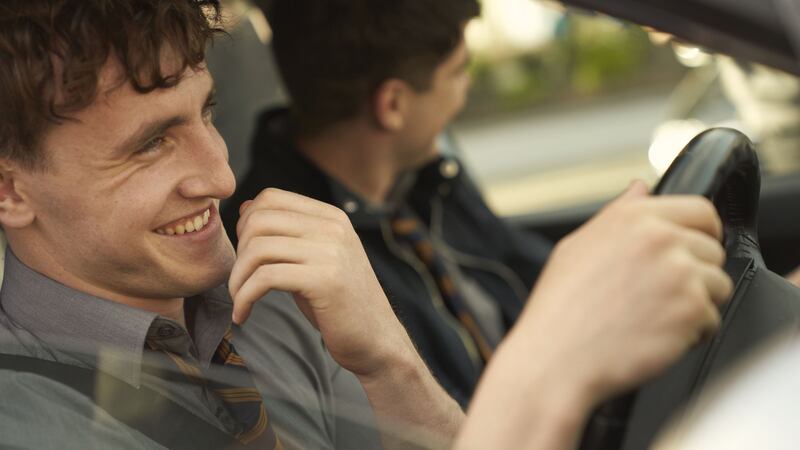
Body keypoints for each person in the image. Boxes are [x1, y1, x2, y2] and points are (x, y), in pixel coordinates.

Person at [0, 0, 731, 449]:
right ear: (10, 192)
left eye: (208, 114)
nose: (221, 177)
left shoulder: (272, 296)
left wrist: (388, 359)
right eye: (151, 143)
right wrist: (542, 376)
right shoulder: (26, 417)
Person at [222, 0, 552, 406]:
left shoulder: (427, 182)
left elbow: (532, 272)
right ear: (393, 105)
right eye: (457, 72)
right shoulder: (297, 261)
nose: (464, 89)